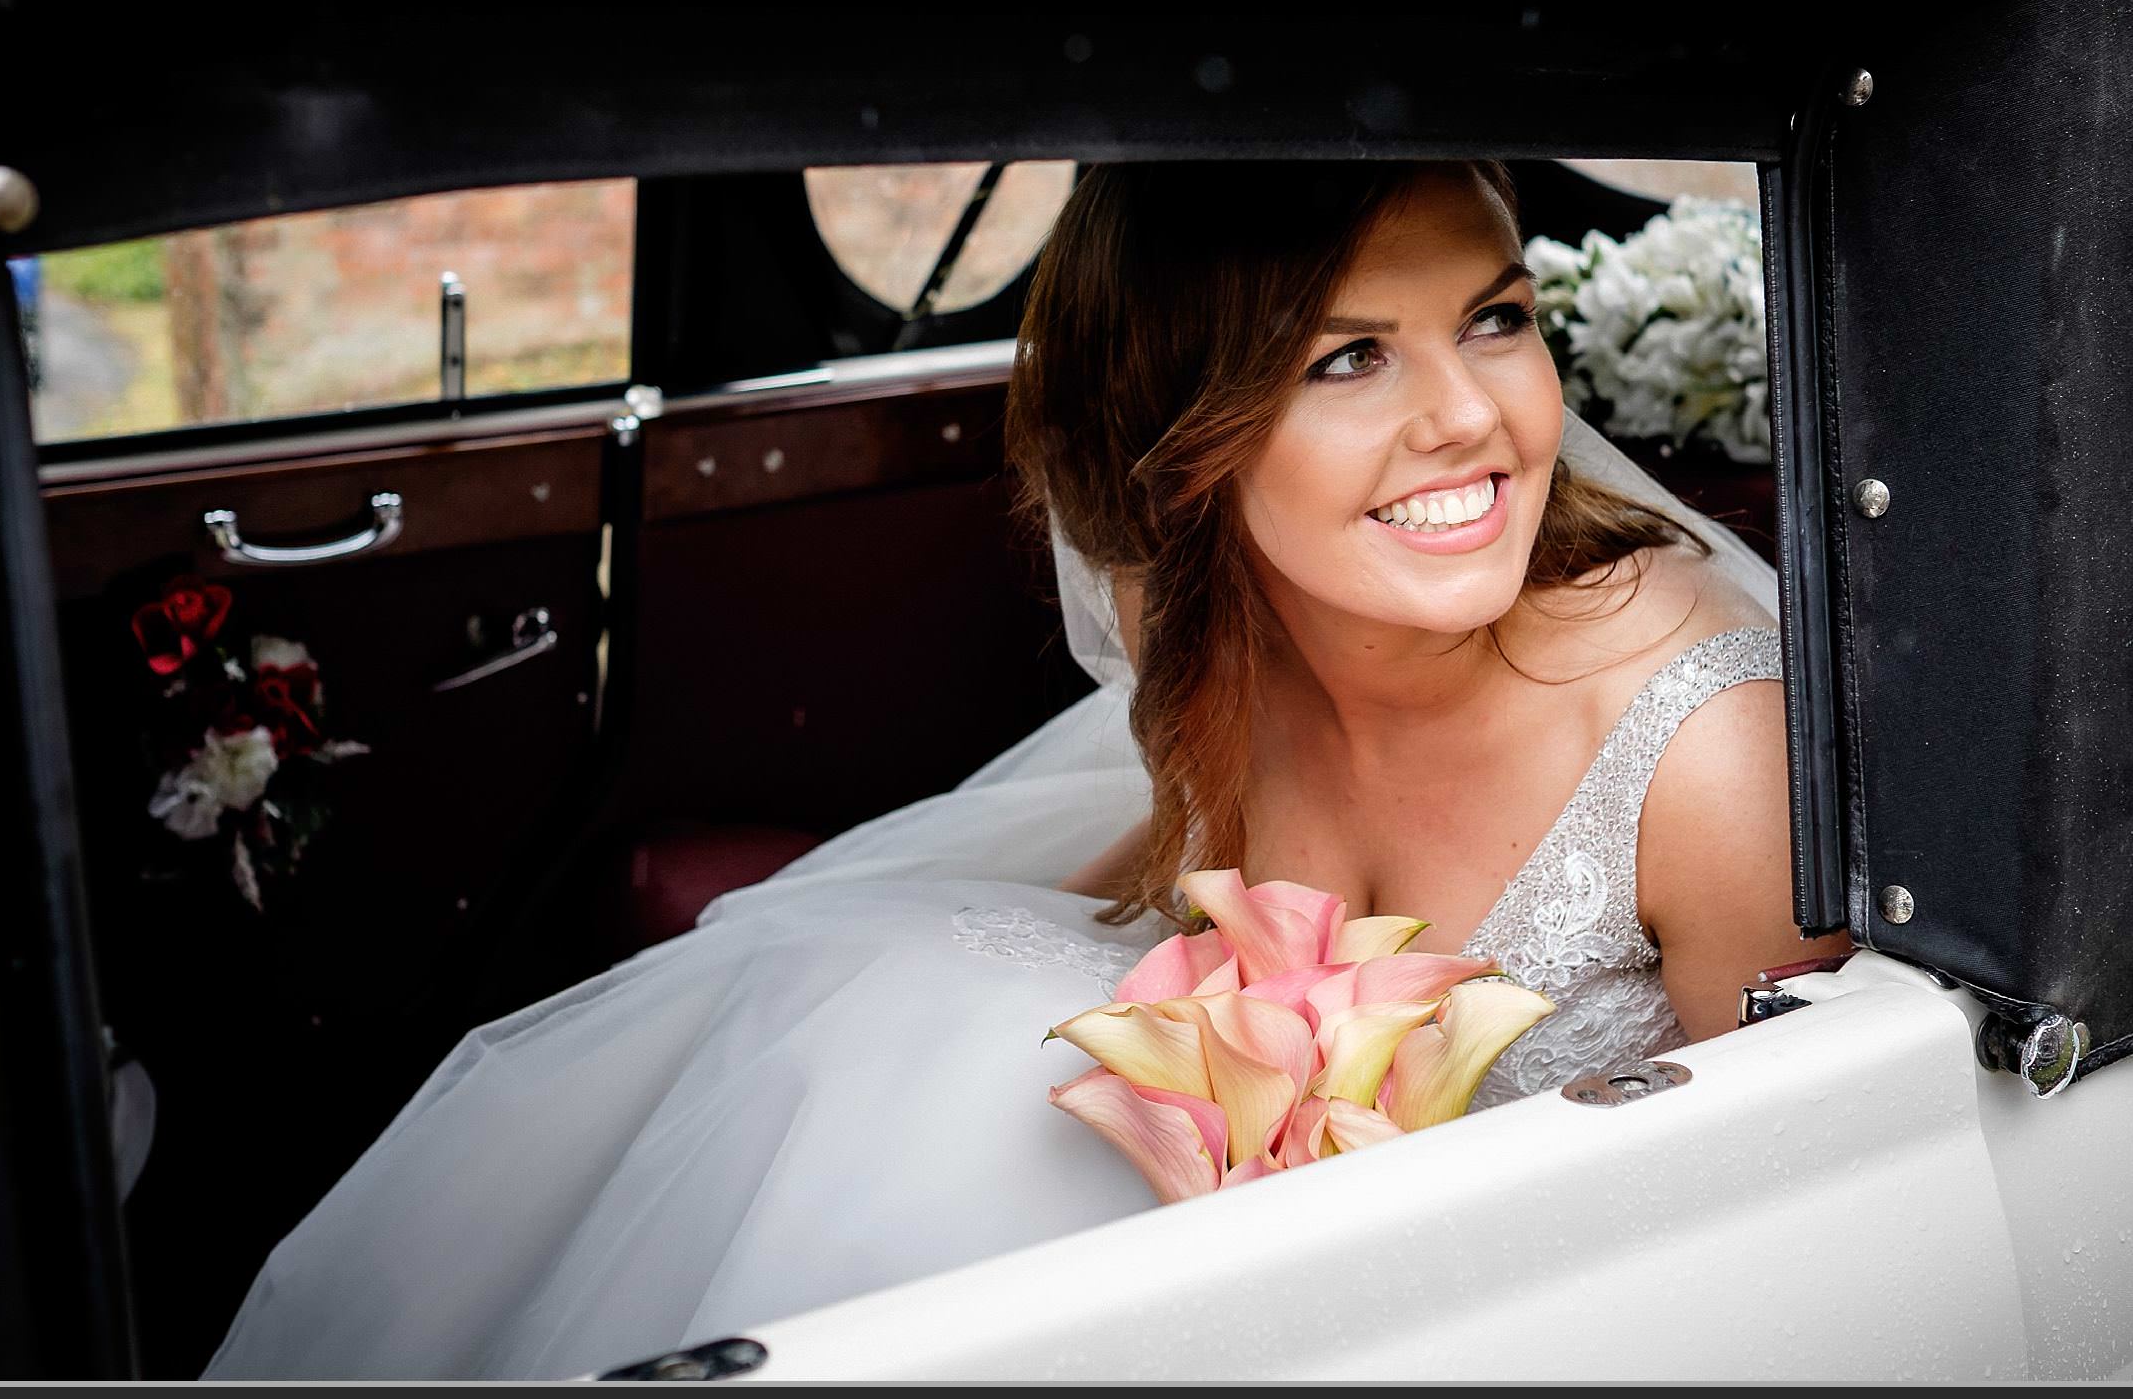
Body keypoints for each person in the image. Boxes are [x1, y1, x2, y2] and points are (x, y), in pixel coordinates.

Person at [203, 160, 1851, 1380]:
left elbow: (1818, 1245)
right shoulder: (1210, 643)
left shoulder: (1712, 759)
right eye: (1346, 358)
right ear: (1181, 428)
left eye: (1495, 321)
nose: (1473, 420)